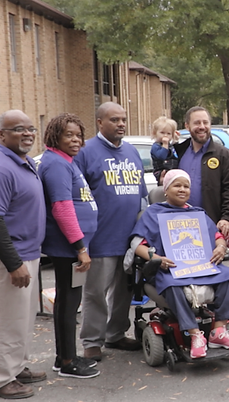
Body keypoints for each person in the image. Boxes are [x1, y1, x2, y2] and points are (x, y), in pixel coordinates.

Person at [130, 170, 229, 359]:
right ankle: (195, 334)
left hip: (199, 266)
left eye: (186, 186)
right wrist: (156, 257)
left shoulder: (197, 213)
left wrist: (221, 247)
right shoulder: (153, 213)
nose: (182, 189)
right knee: (173, 284)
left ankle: (218, 330)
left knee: (228, 275)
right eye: (177, 185)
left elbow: (217, 236)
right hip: (170, 267)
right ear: (166, 189)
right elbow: (137, 245)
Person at [75, 102, 147, 361]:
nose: (121, 124)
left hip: (129, 240)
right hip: (100, 238)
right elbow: (77, 197)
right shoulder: (86, 152)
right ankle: (92, 341)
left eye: (123, 119)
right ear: (99, 122)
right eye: (114, 119)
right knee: (95, 293)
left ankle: (115, 334)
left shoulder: (131, 151)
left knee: (124, 291)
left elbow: (141, 195)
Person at [38, 114, 100, 379]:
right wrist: (80, 247)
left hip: (72, 247)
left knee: (67, 301)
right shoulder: (56, 164)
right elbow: (62, 208)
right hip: (68, 248)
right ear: (55, 137)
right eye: (69, 135)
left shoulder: (65, 161)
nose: (75, 140)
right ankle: (67, 362)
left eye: (78, 135)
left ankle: (64, 356)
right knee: (68, 302)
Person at [0, 110, 46, 399]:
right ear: (2, 135)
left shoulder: (24, 162)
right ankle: (4, 377)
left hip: (31, 252)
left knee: (25, 319)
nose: (28, 133)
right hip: (13, 259)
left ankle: (16, 367)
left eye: (30, 128)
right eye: (18, 129)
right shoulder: (3, 167)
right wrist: (14, 263)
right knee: (10, 320)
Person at [175, 106, 229, 238]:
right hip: (180, 225)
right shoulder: (178, 152)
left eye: (205, 122)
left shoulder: (224, 155)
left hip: (211, 226)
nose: (202, 126)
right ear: (187, 126)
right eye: (197, 123)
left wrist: (226, 218)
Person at [150, 116, 180, 184]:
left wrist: (175, 140)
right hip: (162, 172)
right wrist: (165, 144)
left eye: (169, 133)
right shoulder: (156, 146)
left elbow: (175, 154)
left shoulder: (170, 145)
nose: (165, 135)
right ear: (155, 133)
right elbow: (162, 156)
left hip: (172, 171)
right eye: (162, 133)